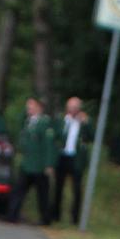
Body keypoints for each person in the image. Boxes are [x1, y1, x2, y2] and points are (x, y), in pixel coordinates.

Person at [8, 97, 57, 226]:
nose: (28, 108)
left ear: (39, 107)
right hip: (27, 164)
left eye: (31, 106)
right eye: (28, 106)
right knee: (19, 190)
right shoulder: (28, 121)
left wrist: (49, 164)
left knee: (42, 193)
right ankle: (12, 214)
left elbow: (49, 145)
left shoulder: (44, 123)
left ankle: (45, 218)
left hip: (39, 165)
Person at [51, 96, 90, 226]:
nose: (73, 110)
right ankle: (56, 214)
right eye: (71, 107)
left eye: (75, 107)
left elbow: (91, 136)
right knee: (58, 187)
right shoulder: (62, 120)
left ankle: (75, 218)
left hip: (75, 158)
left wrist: (86, 123)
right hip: (62, 156)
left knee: (77, 189)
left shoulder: (82, 123)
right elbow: (55, 136)